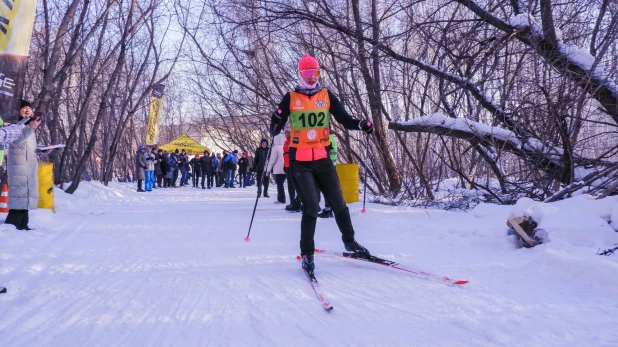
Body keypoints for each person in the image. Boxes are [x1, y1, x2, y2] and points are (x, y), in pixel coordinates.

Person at [269, 54, 374, 274]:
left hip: (323, 159)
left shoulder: (326, 95)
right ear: (300, 74)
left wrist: (361, 124)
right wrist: (276, 121)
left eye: (314, 73)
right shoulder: (291, 98)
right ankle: (307, 253)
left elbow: (344, 119)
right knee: (312, 207)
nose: (311, 78)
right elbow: (276, 126)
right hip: (301, 162)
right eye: (307, 73)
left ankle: (350, 241)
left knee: (339, 203)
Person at [3, 101, 43, 230]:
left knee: (25, 196)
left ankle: (23, 225)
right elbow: (18, 141)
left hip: (29, 166)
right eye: (24, 108)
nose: (27, 110)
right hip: (19, 166)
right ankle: (11, 227)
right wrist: (30, 127)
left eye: (29, 109)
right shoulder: (13, 125)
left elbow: (28, 147)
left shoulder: (29, 126)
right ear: (18, 111)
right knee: (19, 196)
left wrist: (43, 150)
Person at [318, 134, 338, 218]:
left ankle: (328, 210)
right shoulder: (331, 138)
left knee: (327, 190)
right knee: (329, 190)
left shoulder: (327, 138)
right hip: (331, 165)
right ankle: (329, 209)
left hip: (327, 166)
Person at [283, 127, 301, 212]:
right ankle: (292, 201)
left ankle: (297, 201)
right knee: (290, 184)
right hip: (287, 164)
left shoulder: (293, 140)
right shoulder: (286, 141)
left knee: (296, 183)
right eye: (285, 132)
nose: (287, 133)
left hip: (293, 164)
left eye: (288, 132)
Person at [267, 133, 286, 203]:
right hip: (285, 168)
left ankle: (281, 199)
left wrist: (268, 170)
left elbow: (272, 160)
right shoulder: (285, 146)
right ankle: (283, 198)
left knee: (279, 185)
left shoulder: (275, 148)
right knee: (281, 184)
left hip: (277, 170)